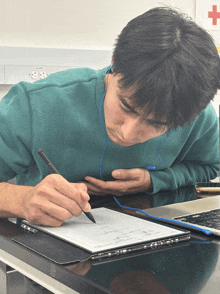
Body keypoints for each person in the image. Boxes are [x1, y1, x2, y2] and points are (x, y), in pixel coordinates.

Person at [0, 7, 219, 227]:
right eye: (126, 106)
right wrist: (22, 200)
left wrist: (154, 180)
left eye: (157, 124)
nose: (128, 133)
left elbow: (210, 167)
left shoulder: (193, 113)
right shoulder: (34, 103)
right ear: (114, 62)